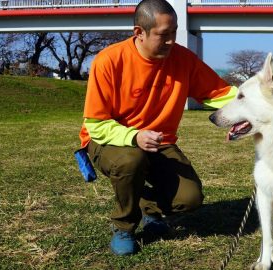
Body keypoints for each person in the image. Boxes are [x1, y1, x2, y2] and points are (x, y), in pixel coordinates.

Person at [78, 0, 236, 256]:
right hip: (109, 140)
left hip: (160, 142)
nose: (172, 40)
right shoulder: (108, 61)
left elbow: (220, 93)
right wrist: (134, 136)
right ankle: (124, 227)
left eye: (174, 31)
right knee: (130, 161)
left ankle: (148, 207)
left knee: (190, 199)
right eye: (164, 34)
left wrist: (259, 103)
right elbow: (96, 124)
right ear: (139, 32)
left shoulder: (183, 59)